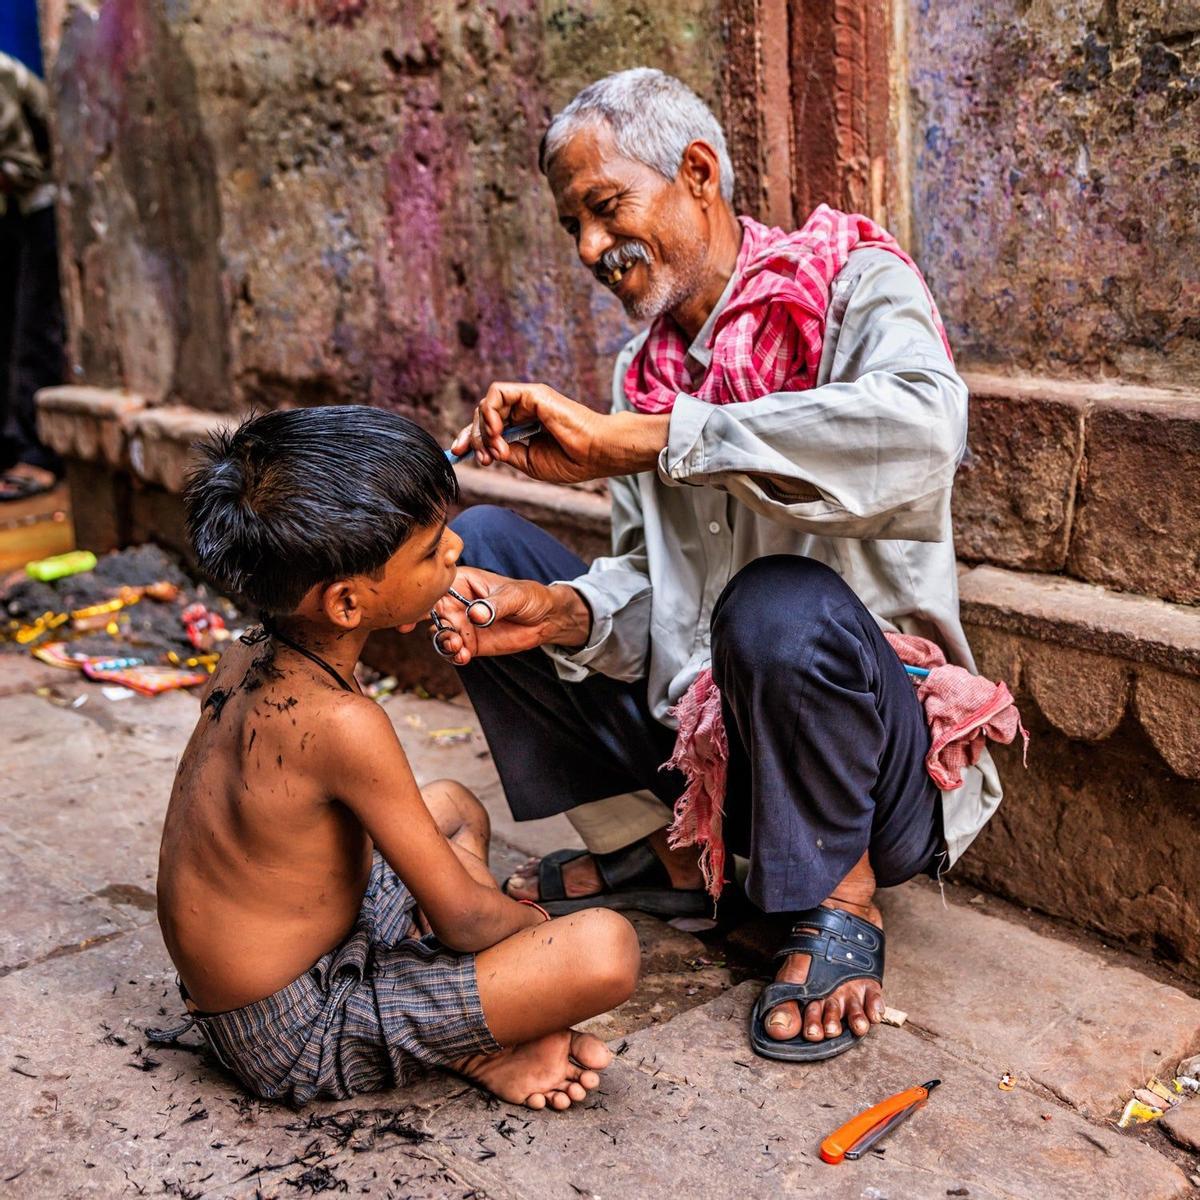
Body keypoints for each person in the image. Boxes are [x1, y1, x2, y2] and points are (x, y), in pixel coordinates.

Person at [432, 68, 1006, 1065]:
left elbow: (925, 430)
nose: (589, 250)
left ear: (698, 171)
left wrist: (664, 438)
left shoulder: (853, 283)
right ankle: (663, 852)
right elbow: (657, 595)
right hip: (710, 757)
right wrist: (556, 611)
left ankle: (841, 895)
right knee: (479, 556)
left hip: (873, 774)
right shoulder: (640, 373)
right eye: (573, 224)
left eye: (604, 209)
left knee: (775, 604)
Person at [151, 406, 634, 1108]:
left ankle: (481, 1028)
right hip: (291, 1030)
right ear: (347, 603)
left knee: (455, 808)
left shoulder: (247, 654)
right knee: (601, 950)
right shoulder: (345, 724)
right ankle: (477, 1040)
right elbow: (468, 921)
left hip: (268, 968)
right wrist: (533, 942)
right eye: (431, 548)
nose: (456, 550)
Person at [0, 47, 64, 501]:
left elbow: (24, 168)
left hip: (38, 206)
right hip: (12, 214)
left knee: (33, 332)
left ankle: (37, 454)